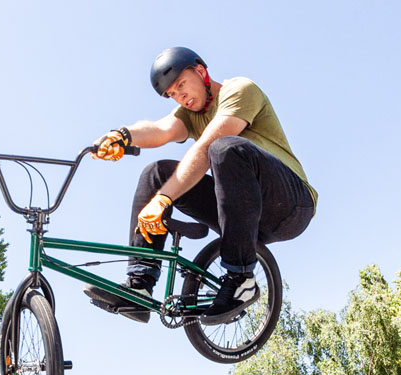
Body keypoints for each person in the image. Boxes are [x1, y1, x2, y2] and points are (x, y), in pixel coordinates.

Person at [88, 47, 316, 325]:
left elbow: (207, 146)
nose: (180, 96)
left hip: (290, 205)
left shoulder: (240, 90)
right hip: (243, 211)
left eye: (182, 85)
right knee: (156, 173)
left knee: (223, 148)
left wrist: (164, 198)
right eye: (173, 94)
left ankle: (241, 279)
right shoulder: (188, 114)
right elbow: (160, 130)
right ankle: (140, 285)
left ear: (200, 71)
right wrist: (122, 135)